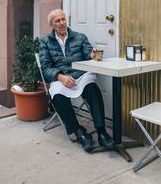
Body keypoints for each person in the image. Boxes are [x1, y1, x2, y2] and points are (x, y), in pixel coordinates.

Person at [39, 9, 114, 152]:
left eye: (63, 19)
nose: (62, 23)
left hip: (81, 76)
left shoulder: (80, 37)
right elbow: (46, 68)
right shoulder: (45, 42)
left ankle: (102, 132)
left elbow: (88, 53)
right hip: (61, 79)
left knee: (92, 88)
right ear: (51, 25)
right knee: (57, 97)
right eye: (57, 21)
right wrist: (60, 77)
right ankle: (80, 133)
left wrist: (92, 54)